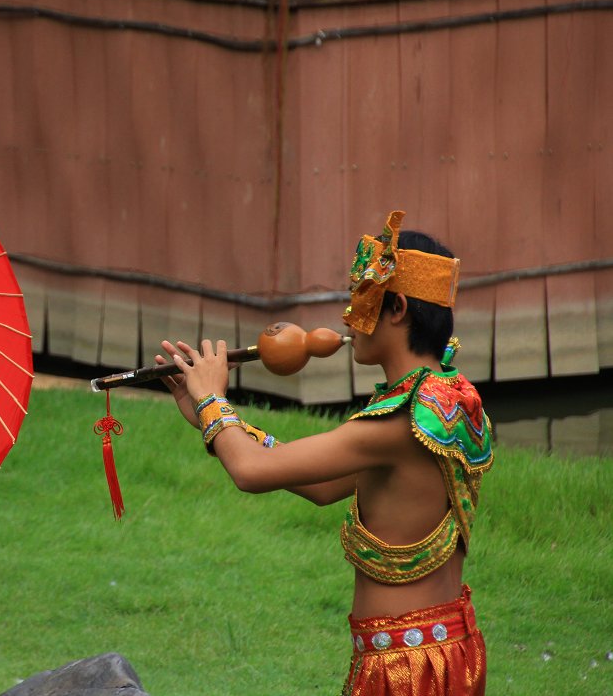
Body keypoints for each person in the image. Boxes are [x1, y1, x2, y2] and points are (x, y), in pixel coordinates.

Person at [158, 211, 493, 695]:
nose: (346, 317)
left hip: (407, 670)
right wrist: (213, 422)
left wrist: (213, 401)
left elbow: (251, 472)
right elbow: (322, 485)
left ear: (396, 308)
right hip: (443, 649)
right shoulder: (445, 395)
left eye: (360, 296)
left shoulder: (398, 423)